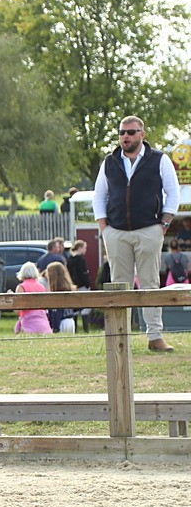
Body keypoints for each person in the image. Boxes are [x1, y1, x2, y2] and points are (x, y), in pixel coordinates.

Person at [92, 115, 180, 352]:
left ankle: (155, 336)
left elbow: (173, 193)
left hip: (149, 230)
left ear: (142, 134)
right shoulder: (109, 162)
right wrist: (104, 228)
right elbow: (99, 196)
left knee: (150, 283)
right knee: (119, 286)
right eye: (121, 133)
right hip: (116, 232)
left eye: (131, 132)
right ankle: (121, 337)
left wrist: (163, 225)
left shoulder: (160, 160)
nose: (125, 137)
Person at [13, 262, 51, 335]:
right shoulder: (41, 287)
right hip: (44, 324)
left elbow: (17, 310)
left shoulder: (21, 287)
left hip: (29, 324)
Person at [45, 262, 77, 333]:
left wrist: (55, 328)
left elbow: (56, 312)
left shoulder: (56, 293)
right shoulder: (68, 289)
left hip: (61, 322)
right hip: (71, 321)